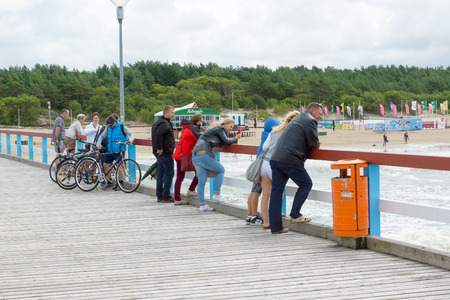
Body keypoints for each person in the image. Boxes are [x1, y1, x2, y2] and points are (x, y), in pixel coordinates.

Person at [268, 102, 322, 234]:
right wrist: (317, 144)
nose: (320, 117)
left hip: (276, 159)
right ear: (312, 110)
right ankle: (295, 214)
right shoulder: (310, 120)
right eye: (320, 113)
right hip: (290, 160)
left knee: (276, 193)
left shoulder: (298, 118)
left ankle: (276, 227)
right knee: (306, 184)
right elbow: (313, 143)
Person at [260, 111, 300, 229]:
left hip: (264, 164)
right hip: (276, 165)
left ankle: (266, 222)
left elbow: (265, 147)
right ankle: (276, 219)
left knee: (265, 195)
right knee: (278, 194)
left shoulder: (275, 130)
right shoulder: (291, 132)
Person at [192, 118, 241, 212]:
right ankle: (216, 194)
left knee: (201, 182)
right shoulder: (220, 128)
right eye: (230, 126)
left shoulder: (215, 132)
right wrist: (236, 138)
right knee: (221, 170)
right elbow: (227, 141)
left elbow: (214, 143)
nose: (231, 128)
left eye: (232, 127)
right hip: (203, 156)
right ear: (224, 124)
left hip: (195, 156)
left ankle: (202, 205)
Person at [246, 117, 280, 226]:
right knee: (257, 192)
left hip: (259, 166)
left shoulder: (264, 135)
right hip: (263, 166)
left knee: (254, 191)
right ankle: (254, 215)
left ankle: (250, 215)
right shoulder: (272, 135)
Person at [96, 114, 135, 189]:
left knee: (119, 166)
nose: (109, 127)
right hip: (110, 150)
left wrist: (131, 139)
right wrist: (98, 143)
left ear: (114, 123)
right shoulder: (108, 127)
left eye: (110, 125)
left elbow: (131, 133)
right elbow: (102, 136)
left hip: (119, 150)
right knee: (105, 165)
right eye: (108, 125)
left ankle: (120, 183)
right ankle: (109, 181)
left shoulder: (122, 126)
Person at [173, 113, 203, 206]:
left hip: (180, 155)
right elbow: (202, 139)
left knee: (180, 177)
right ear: (199, 121)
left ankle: (178, 198)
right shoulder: (193, 128)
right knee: (200, 172)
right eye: (201, 121)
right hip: (185, 156)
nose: (202, 123)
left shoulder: (188, 128)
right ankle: (190, 190)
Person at [152, 105, 176, 203]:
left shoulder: (158, 123)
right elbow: (158, 135)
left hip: (159, 154)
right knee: (169, 174)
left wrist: (157, 149)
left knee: (161, 174)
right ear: (165, 113)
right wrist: (160, 148)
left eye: (173, 113)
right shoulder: (165, 124)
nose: (173, 115)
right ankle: (166, 195)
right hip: (165, 152)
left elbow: (157, 135)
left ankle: (160, 195)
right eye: (172, 113)